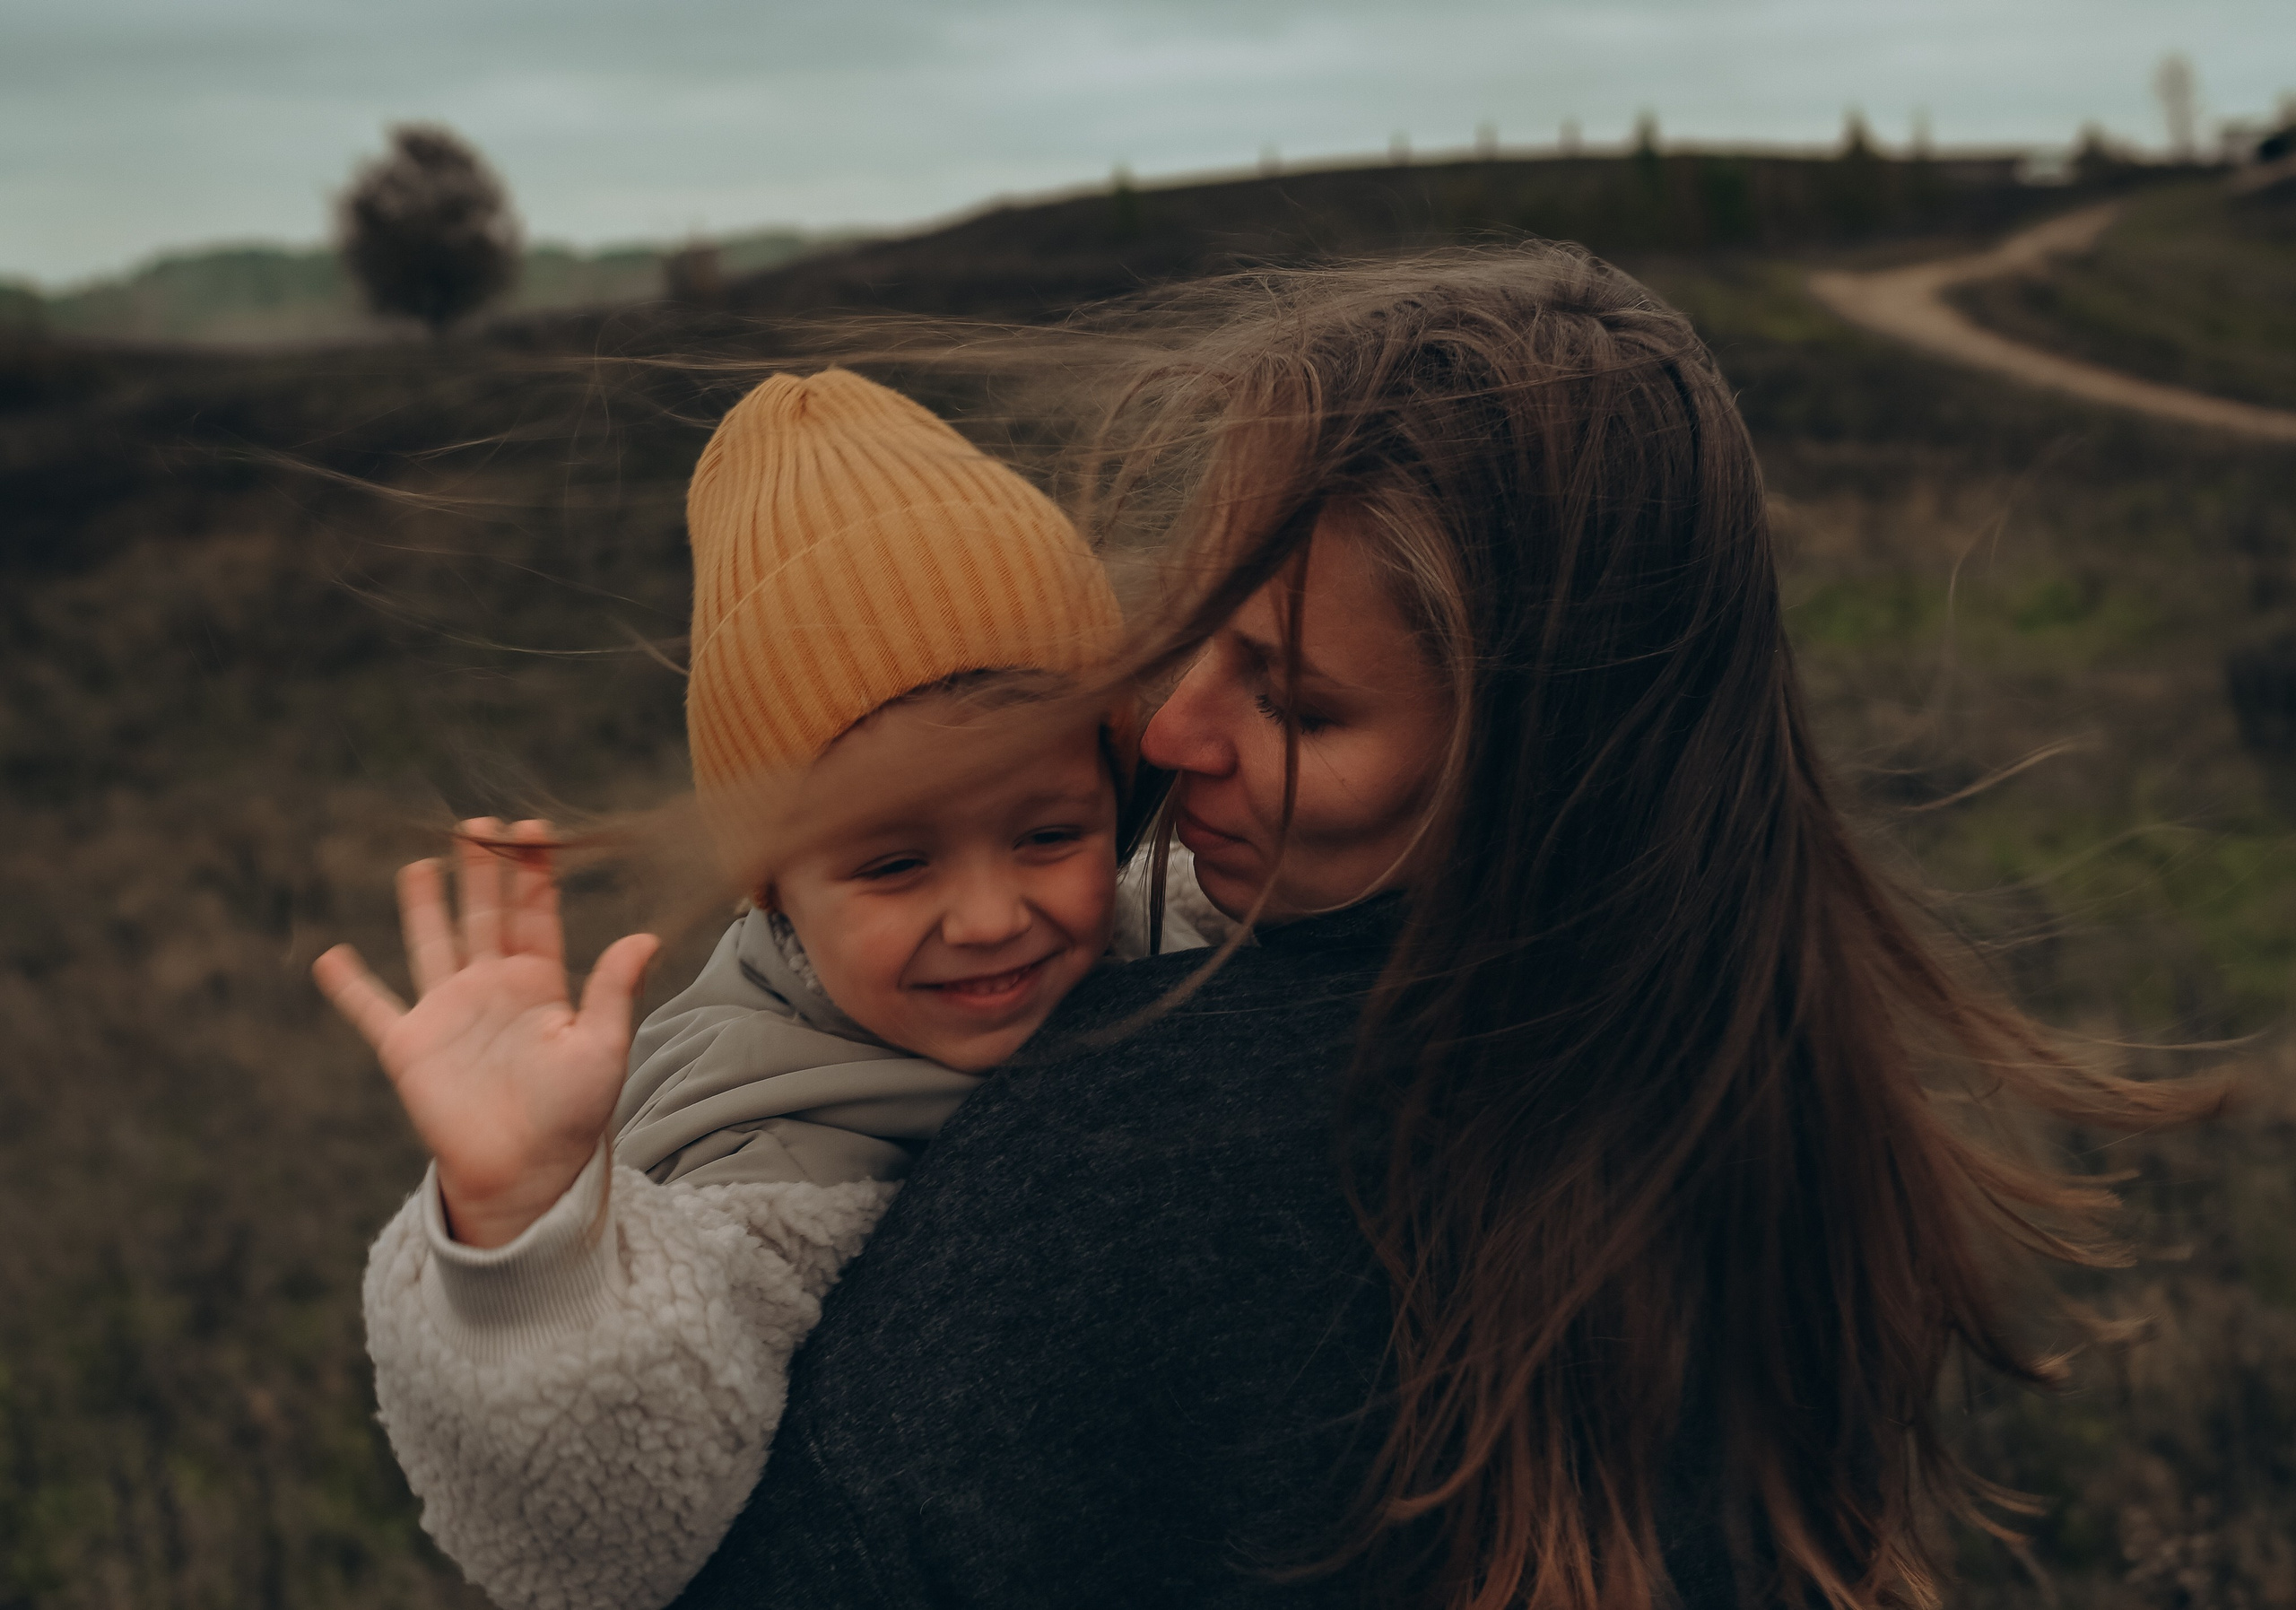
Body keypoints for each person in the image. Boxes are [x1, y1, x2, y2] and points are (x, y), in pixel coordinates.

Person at [656, 246, 2214, 1610]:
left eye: (1296, 702)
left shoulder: (1119, 1153)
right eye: (1187, 632)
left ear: (1540, 763)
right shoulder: (1778, 1112)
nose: (1168, 732)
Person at [312, 370, 1212, 1609]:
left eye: (1050, 834)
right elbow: (618, 1520)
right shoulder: (763, 1152)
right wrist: (528, 1227)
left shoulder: (1174, 925)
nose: (995, 913)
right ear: (772, 885)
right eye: (897, 863)